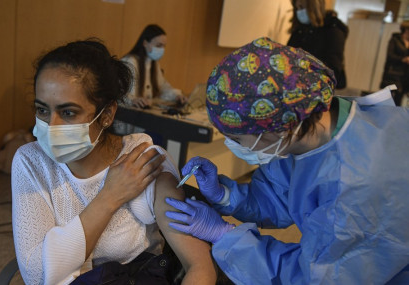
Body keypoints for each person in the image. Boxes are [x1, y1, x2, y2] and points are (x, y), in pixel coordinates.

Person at [164, 37, 409, 284]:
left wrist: (225, 236)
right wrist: (224, 195)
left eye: (236, 138)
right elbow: (281, 195)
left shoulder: (353, 190)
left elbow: (314, 278)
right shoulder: (312, 125)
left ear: (275, 130)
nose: (234, 145)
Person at [11, 39, 217, 285]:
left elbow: (199, 266)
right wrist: (110, 196)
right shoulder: (31, 161)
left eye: (68, 113)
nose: (51, 126)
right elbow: (36, 277)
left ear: (106, 114)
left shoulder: (141, 159)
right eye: (42, 110)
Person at [113, 24, 188, 138]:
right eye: (158, 45)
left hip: (143, 122)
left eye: (163, 46)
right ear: (145, 43)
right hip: (126, 126)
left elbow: (163, 88)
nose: (161, 49)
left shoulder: (153, 63)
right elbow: (116, 93)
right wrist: (132, 100)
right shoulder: (129, 62)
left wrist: (177, 95)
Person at [287, 0, 348, 89]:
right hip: (296, 85)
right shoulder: (300, 30)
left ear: (313, 7)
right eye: (297, 8)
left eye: (302, 8)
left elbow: (333, 70)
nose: (299, 12)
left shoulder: (333, 30)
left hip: (318, 89)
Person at [380, 20, 409, 106]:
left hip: (405, 76)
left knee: (399, 100)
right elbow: (390, 56)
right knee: (389, 99)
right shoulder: (395, 39)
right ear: (405, 29)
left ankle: (395, 118)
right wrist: (402, 59)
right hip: (393, 73)